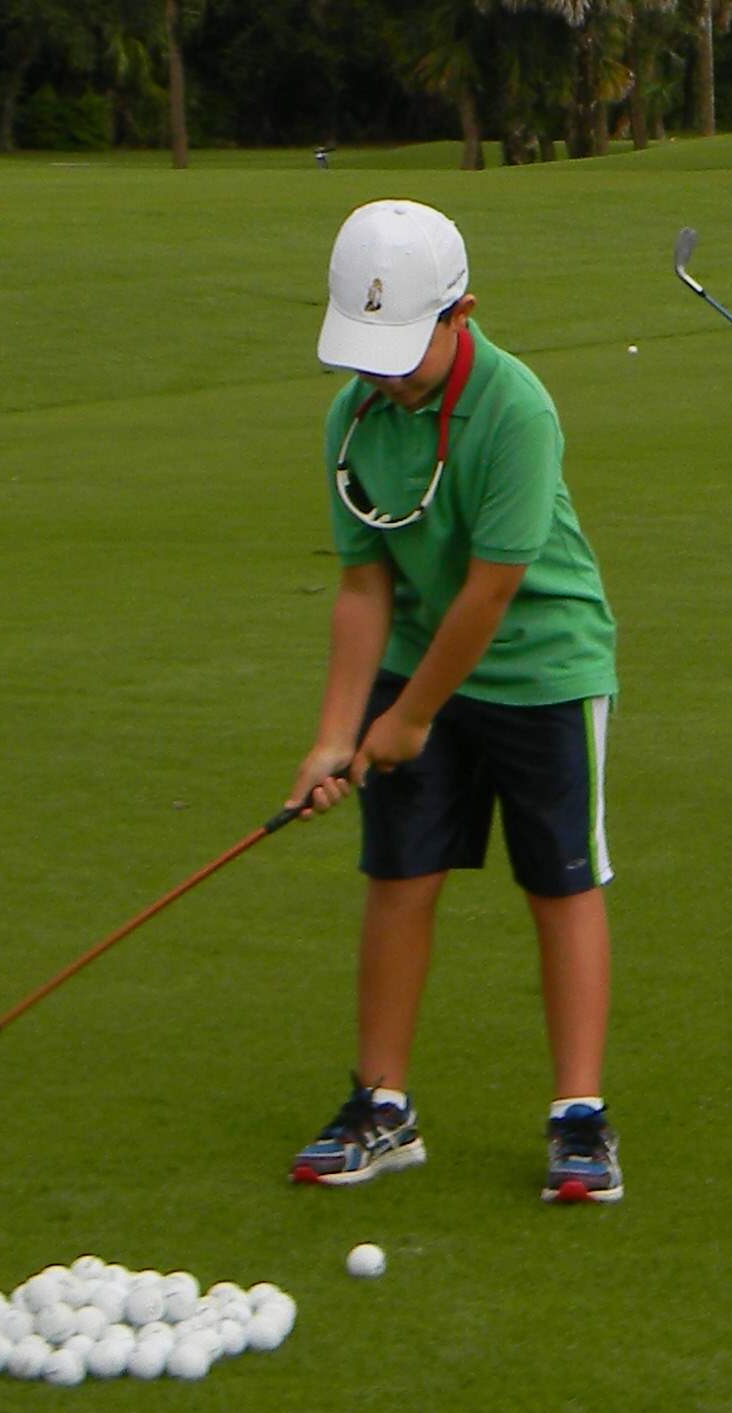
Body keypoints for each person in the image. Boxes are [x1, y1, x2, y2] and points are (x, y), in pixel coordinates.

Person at [284, 199, 624, 1203]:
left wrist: (411, 718)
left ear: (461, 312)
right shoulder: (352, 419)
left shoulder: (516, 408)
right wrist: (333, 736)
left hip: (545, 667)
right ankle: (381, 1106)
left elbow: (492, 585)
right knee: (401, 875)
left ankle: (579, 1119)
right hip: (416, 657)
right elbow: (362, 587)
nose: (381, 372)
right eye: (365, 348)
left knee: (559, 885)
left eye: (399, 347)